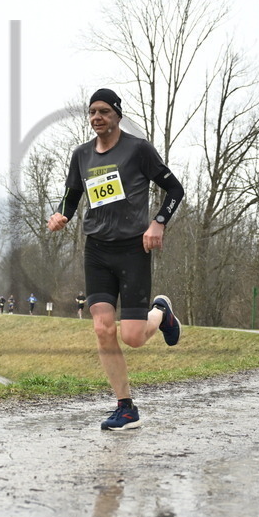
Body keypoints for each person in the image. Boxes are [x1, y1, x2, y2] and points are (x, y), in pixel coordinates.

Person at [47, 88, 185, 431]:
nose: (97, 117)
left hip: (132, 249)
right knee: (102, 328)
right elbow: (72, 195)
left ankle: (161, 313)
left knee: (134, 337)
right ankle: (125, 407)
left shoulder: (138, 150)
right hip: (96, 250)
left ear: (118, 115)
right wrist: (61, 214)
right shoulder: (81, 155)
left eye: (104, 111)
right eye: (92, 112)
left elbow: (175, 189)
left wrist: (158, 223)